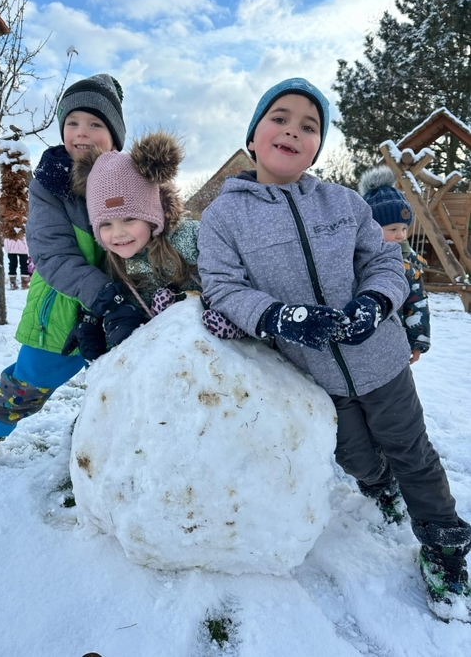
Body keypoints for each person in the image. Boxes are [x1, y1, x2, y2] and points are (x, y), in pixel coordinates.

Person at [197, 77, 470, 618]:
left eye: (309, 126)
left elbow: (385, 261)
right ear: (252, 135)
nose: (292, 131)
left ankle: (444, 544)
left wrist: (375, 301)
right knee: (353, 454)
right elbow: (223, 287)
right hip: (311, 373)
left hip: (382, 360)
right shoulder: (224, 217)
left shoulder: (343, 203)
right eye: (279, 118)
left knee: (412, 451)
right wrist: (277, 316)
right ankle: (378, 484)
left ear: (317, 147)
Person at [0, 73, 126, 480]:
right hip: (60, 313)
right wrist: (103, 294)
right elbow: (52, 254)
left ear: (115, 137)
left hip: (120, 312)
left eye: (95, 124)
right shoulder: (50, 184)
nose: (81, 132)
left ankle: (96, 442)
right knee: (28, 384)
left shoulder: (131, 182)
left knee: (119, 384)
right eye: (73, 122)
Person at [71, 129, 201, 348]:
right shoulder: (112, 264)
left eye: (129, 218)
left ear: (152, 216)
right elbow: (103, 301)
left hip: (205, 346)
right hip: (156, 356)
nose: (118, 232)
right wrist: (91, 321)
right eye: (106, 224)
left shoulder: (187, 238)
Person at [359, 165, 430, 364]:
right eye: (393, 229)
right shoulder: (356, 260)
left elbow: (417, 304)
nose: (401, 235)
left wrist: (417, 342)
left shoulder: (408, 266)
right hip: (360, 345)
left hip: (395, 344)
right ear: (371, 228)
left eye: (404, 228)